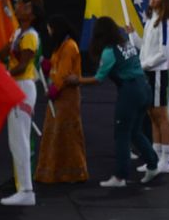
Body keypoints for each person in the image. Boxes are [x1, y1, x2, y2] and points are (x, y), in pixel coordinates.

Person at [69, 17, 161, 187]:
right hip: (144, 88)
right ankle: (153, 164)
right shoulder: (126, 43)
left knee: (122, 133)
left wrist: (78, 80)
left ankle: (120, 176)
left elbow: (99, 79)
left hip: (130, 92)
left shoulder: (109, 51)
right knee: (135, 132)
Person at [0, 0, 42, 206]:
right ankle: (22, 187)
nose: (18, 6)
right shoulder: (17, 33)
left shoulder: (30, 36)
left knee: (20, 139)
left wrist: (4, 76)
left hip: (22, 86)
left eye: (22, 4)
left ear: (31, 11)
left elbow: (23, 65)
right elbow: (1, 53)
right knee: (15, 140)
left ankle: (26, 189)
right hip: (16, 85)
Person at [34, 15, 87, 184]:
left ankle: (73, 172)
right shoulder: (62, 46)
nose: (48, 31)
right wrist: (47, 65)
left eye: (50, 28)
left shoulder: (69, 46)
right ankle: (55, 171)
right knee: (55, 134)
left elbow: (63, 73)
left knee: (67, 134)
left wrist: (53, 90)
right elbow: (58, 66)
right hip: (59, 97)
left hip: (66, 97)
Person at [138, 0, 169, 174]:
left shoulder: (164, 23)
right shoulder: (151, 20)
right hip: (148, 72)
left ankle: (167, 160)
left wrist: (145, 65)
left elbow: (164, 53)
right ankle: (154, 159)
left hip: (157, 73)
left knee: (161, 115)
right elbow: (145, 46)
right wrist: (131, 34)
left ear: (164, 1)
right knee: (152, 115)